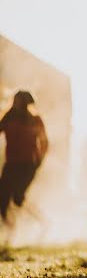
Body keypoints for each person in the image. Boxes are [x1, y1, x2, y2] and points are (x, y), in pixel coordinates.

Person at [0, 91, 48, 222]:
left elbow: (44, 142)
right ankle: (9, 228)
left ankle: (41, 221)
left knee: (17, 197)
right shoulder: (8, 119)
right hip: (11, 164)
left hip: (27, 165)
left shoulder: (35, 120)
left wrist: (39, 160)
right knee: (2, 199)